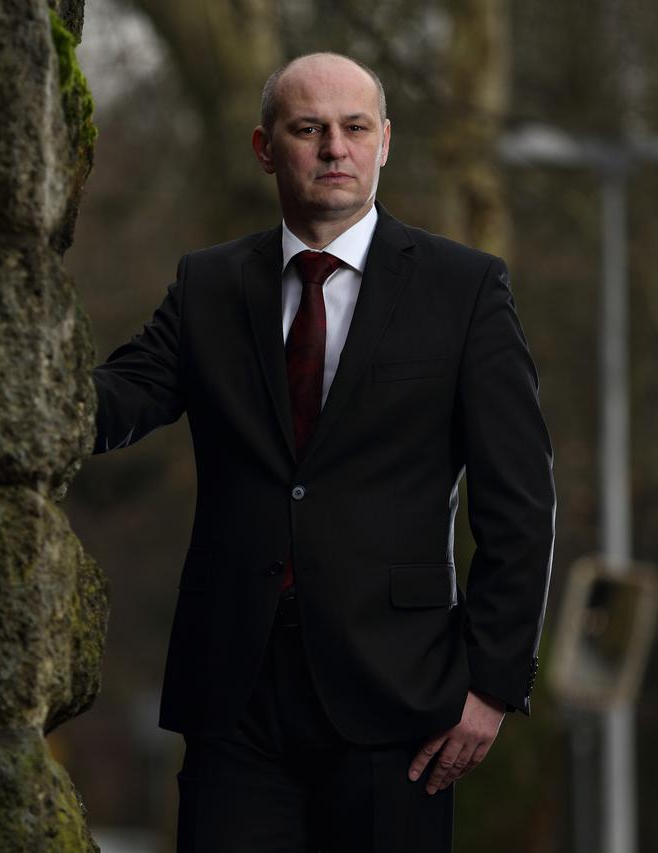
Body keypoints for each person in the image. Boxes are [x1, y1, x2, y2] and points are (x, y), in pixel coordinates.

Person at [90, 52, 555, 851]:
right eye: (309, 129)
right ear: (265, 148)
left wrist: (493, 684)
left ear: (385, 142)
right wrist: (15, 388)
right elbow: (118, 400)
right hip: (235, 693)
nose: (335, 148)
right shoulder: (209, 285)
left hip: (401, 700)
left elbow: (520, 501)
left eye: (355, 128)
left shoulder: (465, 288)